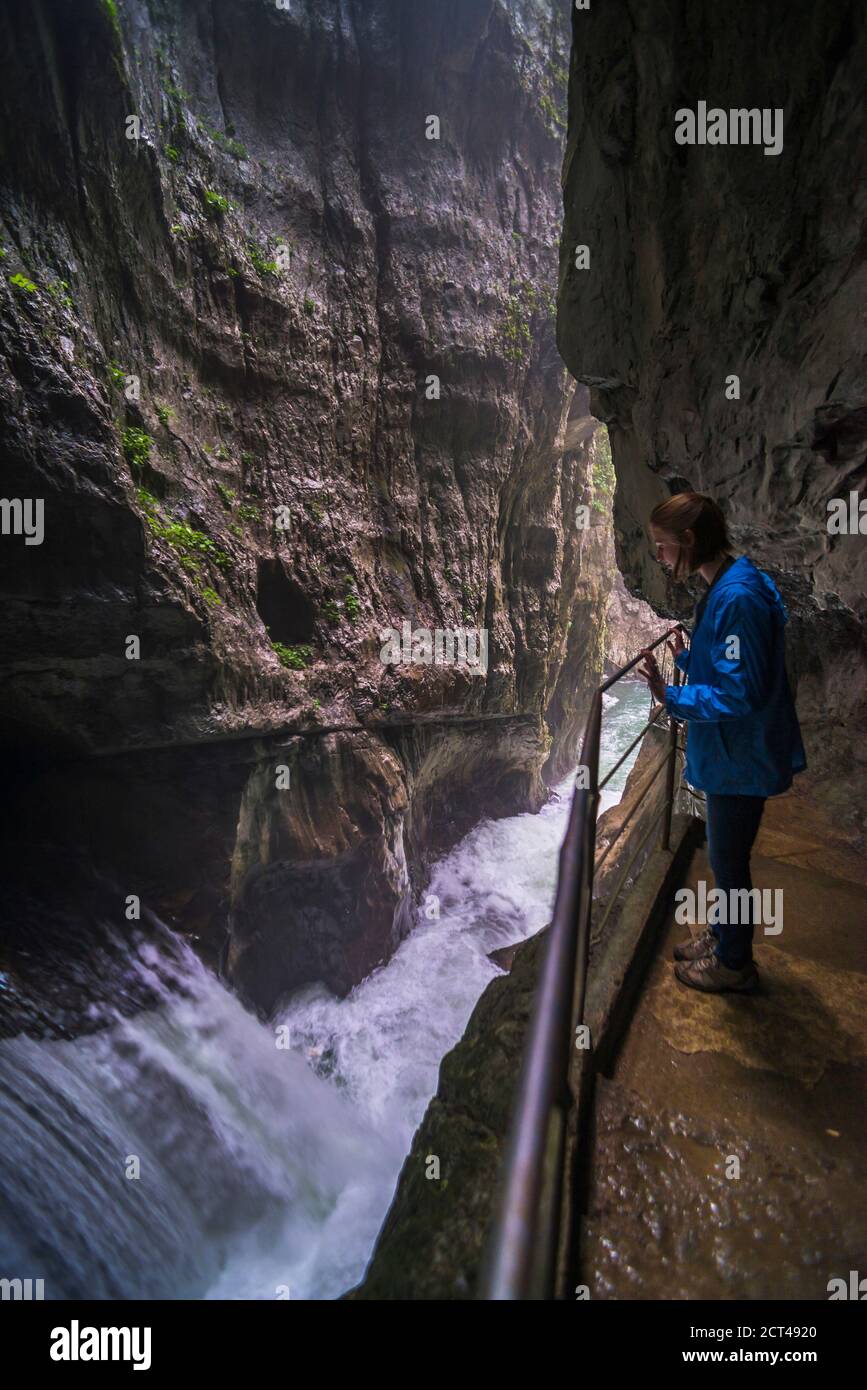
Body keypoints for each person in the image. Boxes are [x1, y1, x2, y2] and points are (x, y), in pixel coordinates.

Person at [637, 492, 806, 994]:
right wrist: (690, 660)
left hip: (741, 756)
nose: (661, 557)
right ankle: (723, 936)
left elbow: (739, 691)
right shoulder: (730, 583)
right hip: (735, 752)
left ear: (689, 539)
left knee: (730, 863)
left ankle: (734, 964)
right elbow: (732, 663)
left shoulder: (736, 597)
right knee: (723, 857)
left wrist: (674, 696)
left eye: (663, 547)